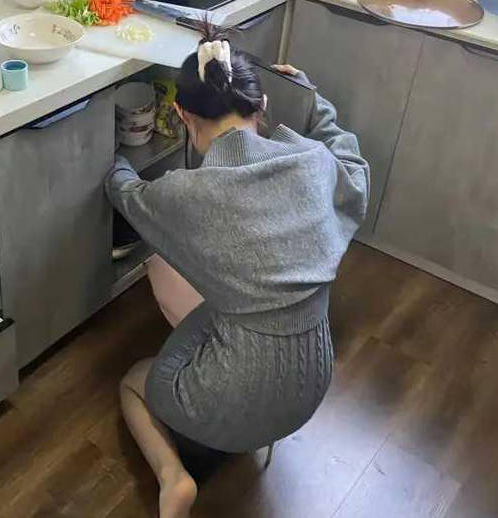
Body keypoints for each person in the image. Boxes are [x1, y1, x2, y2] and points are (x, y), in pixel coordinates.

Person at [105, 22, 369, 518]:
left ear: (182, 114)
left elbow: (127, 193)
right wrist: (315, 101)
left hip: (227, 399)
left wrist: (112, 156)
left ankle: (172, 477)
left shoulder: (186, 194)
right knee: (235, 305)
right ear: (261, 106)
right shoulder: (313, 163)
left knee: (135, 381)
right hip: (312, 384)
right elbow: (351, 162)